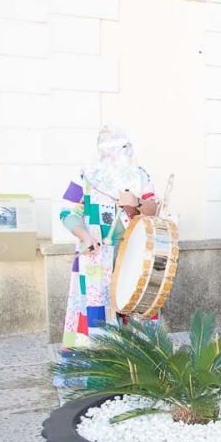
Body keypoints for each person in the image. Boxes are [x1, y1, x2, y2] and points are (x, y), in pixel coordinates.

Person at [59, 126, 158, 351]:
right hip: (97, 256)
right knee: (97, 310)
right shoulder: (85, 177)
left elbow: (153, 208)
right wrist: (84, 236)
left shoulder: (139, 175)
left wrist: (137, 203)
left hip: (134, 253)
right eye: (111, 149)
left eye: (123, 148)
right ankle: (100, 372)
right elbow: (67, 211)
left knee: (136, 306)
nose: (116, 155)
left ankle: (138, 370)